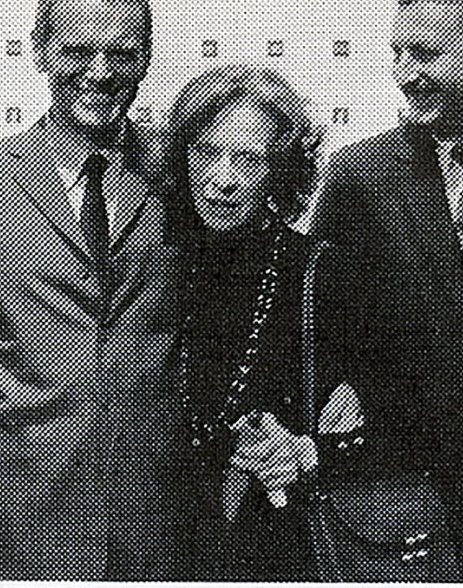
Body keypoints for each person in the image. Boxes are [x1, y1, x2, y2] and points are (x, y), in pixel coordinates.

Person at [0, 0, 183, 581]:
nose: (100, 74)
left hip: (158, 515)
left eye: (121, 53)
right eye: (77, 51)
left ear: (146, 60)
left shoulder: (181, 175)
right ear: (39, 51)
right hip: (20, 515)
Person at [310, 0, 463, 581]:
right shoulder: (358, 175)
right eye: (399, 54)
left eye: (427, 54)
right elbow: (329, 334)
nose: (405, 75)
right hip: (425, 500)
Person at [164, 65, 353, 580]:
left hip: (277, 547)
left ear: (280, 171)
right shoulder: (163, 259)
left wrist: (310, 451)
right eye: (207, 153)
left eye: (248, 161)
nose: (222, 179)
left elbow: (401, 416)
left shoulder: (321, 271)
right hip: (163, 540)